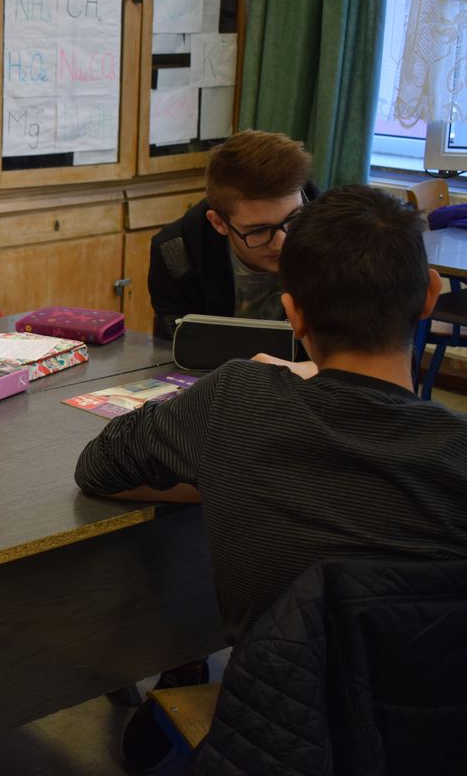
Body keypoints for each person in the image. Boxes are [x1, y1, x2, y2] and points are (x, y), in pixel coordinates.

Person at [77, 185, 467, 770]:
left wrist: (223, 466)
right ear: (430, 295)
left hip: (280, 739)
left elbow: (98, 466)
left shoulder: (238, 400)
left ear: (293, 312)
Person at [148, 130, 320, 340]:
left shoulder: (336, 239)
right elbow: (178, 349)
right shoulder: (176, 254)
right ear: (219, 223)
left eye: (294, 218)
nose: (281, 242)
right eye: (259, 230)